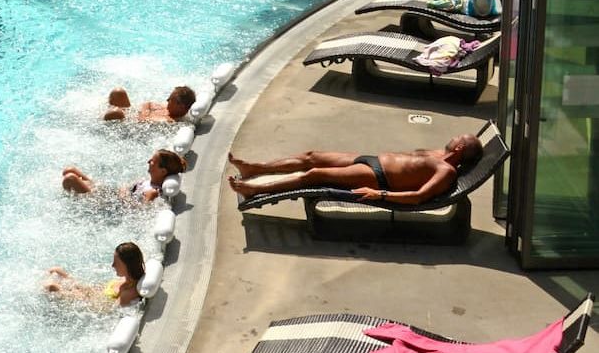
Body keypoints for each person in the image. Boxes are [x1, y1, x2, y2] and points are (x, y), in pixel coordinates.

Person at [226, 134, 484, 206]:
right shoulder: (438, 153)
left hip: (377, 178)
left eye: (457, 137)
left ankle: (254, 190)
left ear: (460, 147)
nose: (451, 137)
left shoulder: (446, 171)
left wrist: (380, 195)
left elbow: (419, 196)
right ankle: (254, 168)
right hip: (371, 159)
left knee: (313, 176)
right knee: (311, 156)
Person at [43, 242, 146, 309]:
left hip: (88, 302)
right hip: (92, 292)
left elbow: (111, 311)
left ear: (127, 265)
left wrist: (80, 295)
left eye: (116, 262)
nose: (112, 265)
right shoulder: (126, 279)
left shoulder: (129, 292)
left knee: (51, 287)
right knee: (55, 270)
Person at [61, 150, 186, 202]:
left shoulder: (152, 192)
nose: (148, 161)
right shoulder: (147, 181)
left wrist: (123, 195)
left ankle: (71, 202)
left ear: (163, 171)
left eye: (153, 161)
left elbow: (138, 213)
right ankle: (71, 197)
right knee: (69, 170)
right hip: (109, 193)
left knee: (70, 179)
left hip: (108, 203)